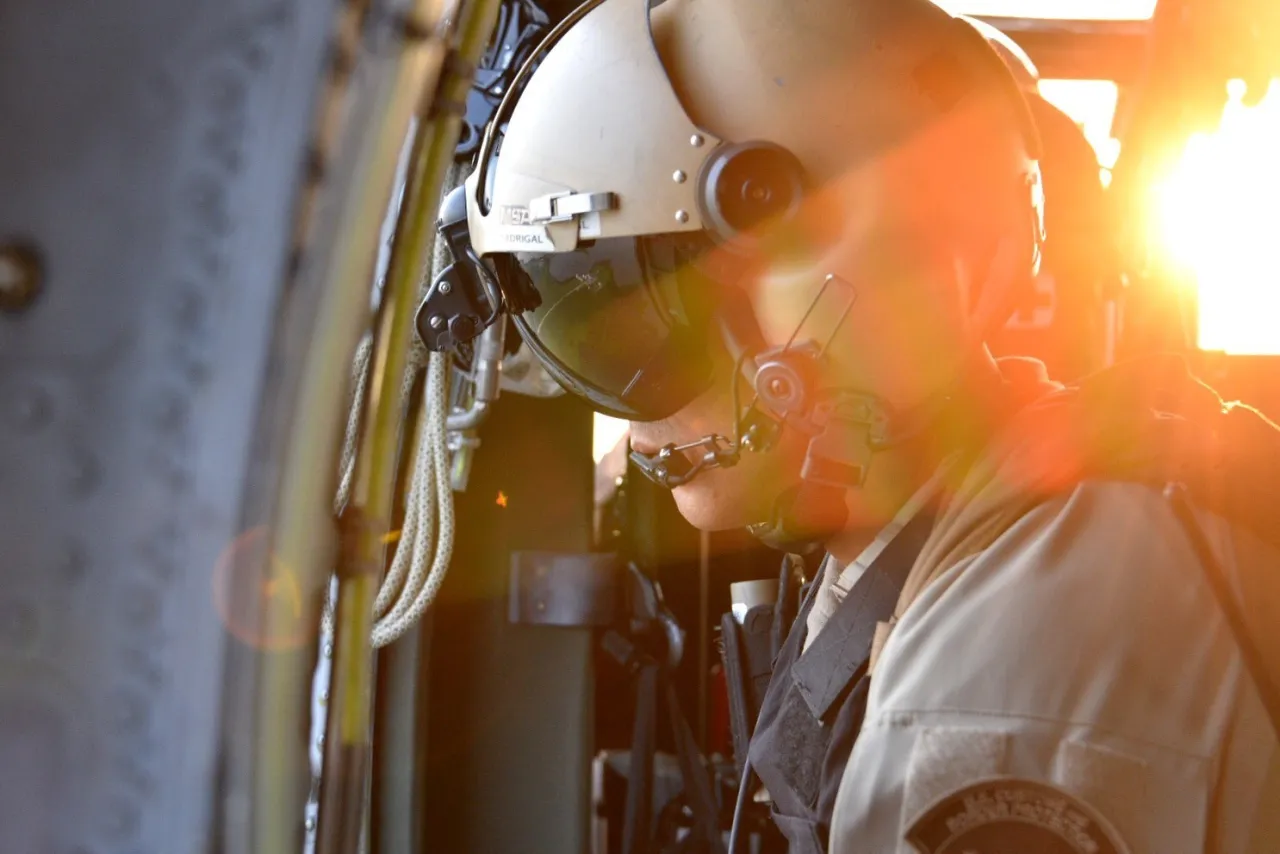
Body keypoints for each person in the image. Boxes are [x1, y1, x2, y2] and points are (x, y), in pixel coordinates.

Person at [450, 0, 1280, 850]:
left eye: (639, 336)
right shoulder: (956, 532)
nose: (618, 398)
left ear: (844, 296)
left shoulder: (1003, 671)